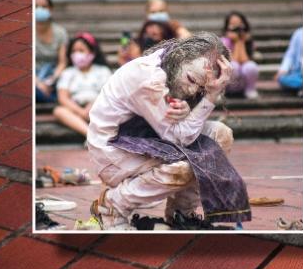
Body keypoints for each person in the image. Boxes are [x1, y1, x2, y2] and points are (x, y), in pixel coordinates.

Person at [87, 33, 247, 230]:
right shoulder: (150, 78)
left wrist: (190, 106)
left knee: (221, 135)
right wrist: (212, 94)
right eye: (191, 80)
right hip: (114, 153)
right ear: (180, 57)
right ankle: (113, 206)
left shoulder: (172, 62)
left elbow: (180, 113)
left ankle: (182, 213)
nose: (191, 91)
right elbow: (180, 137)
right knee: (189, 167)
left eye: (200, 89)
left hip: (149, 138)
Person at [52, 33, 113, 138]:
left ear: (92, 52)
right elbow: (63, 97)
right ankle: (91, 135)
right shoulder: (68, 73)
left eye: (81, 50)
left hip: (99, 107)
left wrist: (93, 106)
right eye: (74, 51)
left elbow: (109, 93)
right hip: (76, 108)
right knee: (59, 111)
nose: (77, 54)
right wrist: (81, 112)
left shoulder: (103, 71)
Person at [35, 0, 70, 103]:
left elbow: (62, 62)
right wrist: (38, 83)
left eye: (44, 7)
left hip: (52, 76)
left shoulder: (60, 32)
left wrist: (51, 80)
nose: (39, 9)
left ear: (51, 9)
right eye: (35, 7)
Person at [220, 12, 259, 100]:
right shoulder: (224, 41)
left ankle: (250, 89)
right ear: (227, 27)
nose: (237, 28)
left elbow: (245, 60)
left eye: (239, 24)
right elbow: (234, 61)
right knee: (233, 65)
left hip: (242, 82)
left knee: (251, 66)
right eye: (233, 24)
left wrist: (240, 42)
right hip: (228, 83)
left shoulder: (248, 41)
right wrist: (236, 41)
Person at [276, 27, 303, 95]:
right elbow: (290, 54)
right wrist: (283, 69)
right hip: (298, 73)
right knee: (282, 79)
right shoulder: (298, 33)